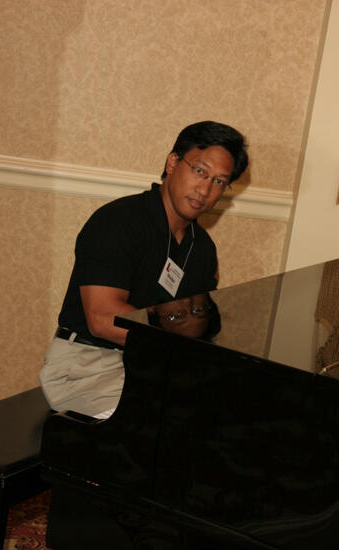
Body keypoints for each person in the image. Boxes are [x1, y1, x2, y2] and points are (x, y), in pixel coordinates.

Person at [39, 121, 248, 416]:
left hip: (154, 365)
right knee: (168, 420)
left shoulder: (202, 248)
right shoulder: (118, 222)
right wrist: (178, 347)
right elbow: (102, 318)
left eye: (219, 181)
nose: (205, 189)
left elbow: (197, 328)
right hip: (85, 365)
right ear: (173, 162)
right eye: (200, 171)